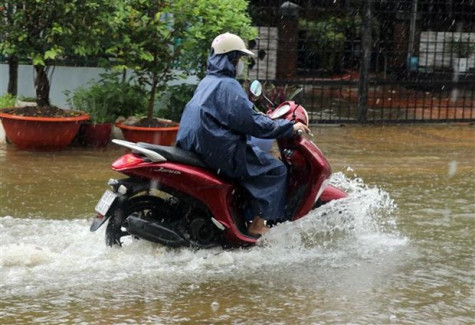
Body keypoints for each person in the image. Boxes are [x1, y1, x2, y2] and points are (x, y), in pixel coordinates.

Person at [176, 32, 309, 236]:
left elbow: (240, 115)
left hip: (198, 145)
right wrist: (289, 127)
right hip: (219, 149)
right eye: (237, 58)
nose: (239, 63)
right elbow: (251, 122)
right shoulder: (227, 85)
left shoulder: (209, 81)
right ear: (229, 59)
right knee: (275, 170)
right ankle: (257, 224)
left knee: (256, 160)